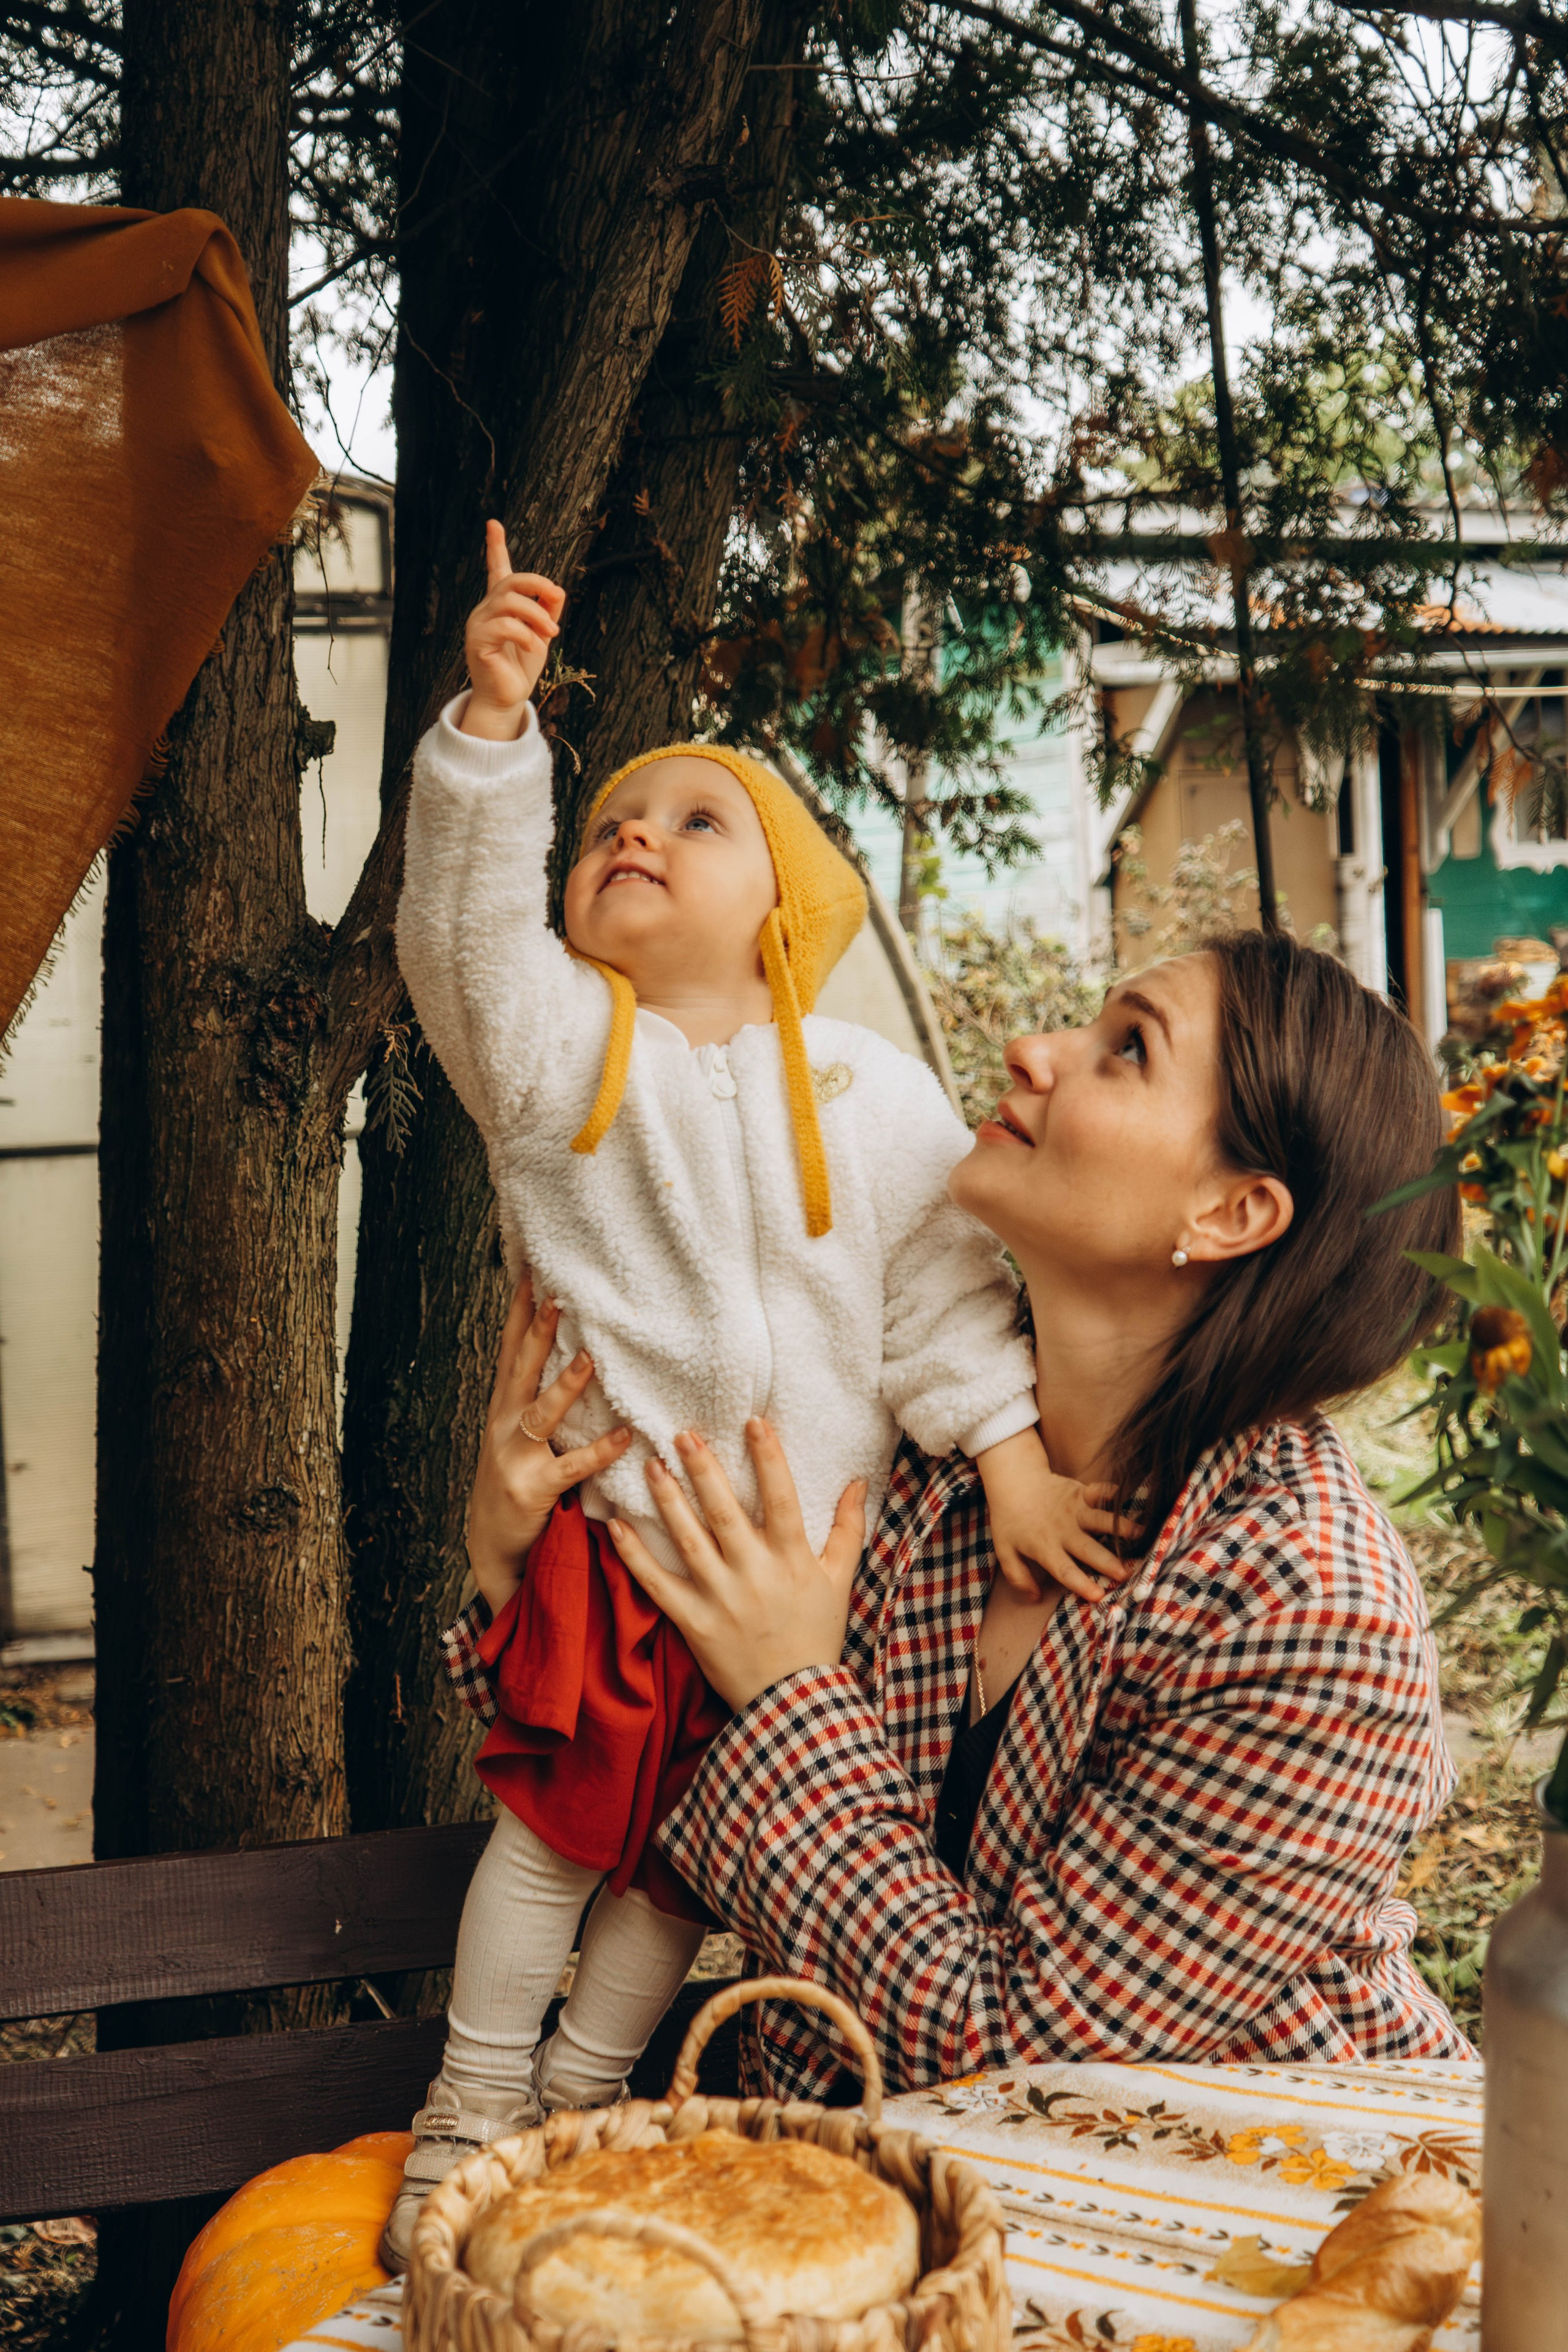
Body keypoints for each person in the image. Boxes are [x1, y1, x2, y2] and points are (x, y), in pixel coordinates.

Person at [382, 526, 1118, 2260]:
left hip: (800, 1584)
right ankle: (470, 2108)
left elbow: (936, 1302)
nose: (631, 834)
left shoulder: (868, 1092)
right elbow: (463, 942)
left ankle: (583, 2096)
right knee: (552, 1844)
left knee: (684, 1868)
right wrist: (492, 740)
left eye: (695, 821)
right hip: (623, 1540)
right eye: (606, 825)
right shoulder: (556, 1055)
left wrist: (1009, 1459)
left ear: (784, 908)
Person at [446, 929, 1473, 2101]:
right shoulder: (917, 1438)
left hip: (1253, 2194)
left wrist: (789, 1696)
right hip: (864, 2181)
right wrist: (514, 1564)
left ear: (1235, 1212)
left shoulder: (1307, 1609)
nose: (1034, 1050)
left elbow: (1021, 2058)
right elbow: (665, 1734)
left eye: (1129, 1048)